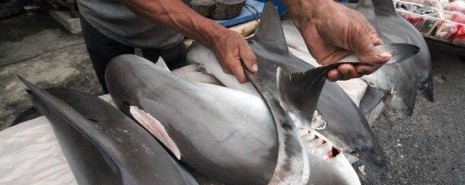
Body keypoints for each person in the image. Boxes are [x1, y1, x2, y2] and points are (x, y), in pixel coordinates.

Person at [77, 0, 391, 93]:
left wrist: (312, 11)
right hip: (112, 22)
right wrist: (213, 34)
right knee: (120, 91)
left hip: (170, 30)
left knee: (170, 94)